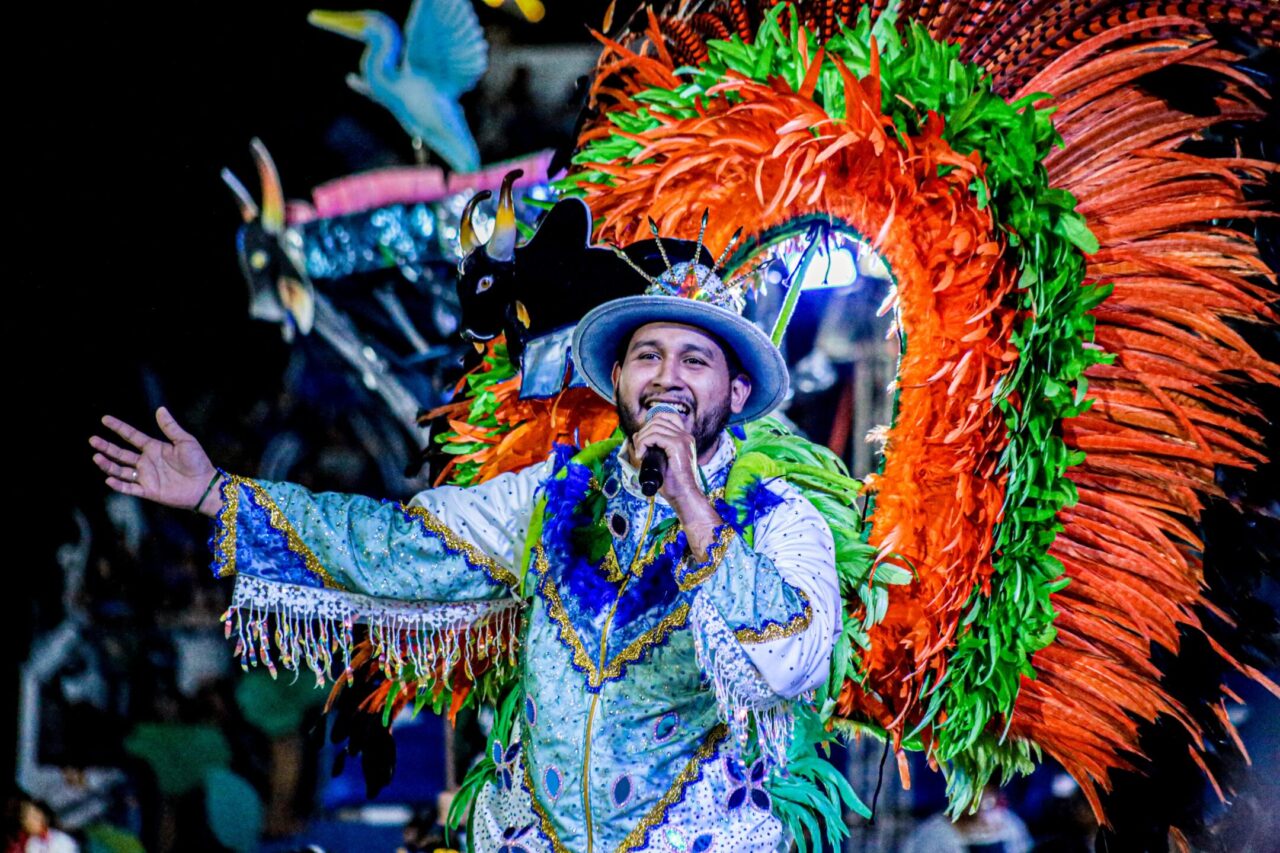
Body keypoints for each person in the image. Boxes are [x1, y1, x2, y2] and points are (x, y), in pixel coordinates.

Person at [90, 260, 843, 852]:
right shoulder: (549, 499)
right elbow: (396, 546)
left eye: (695, 360)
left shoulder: (781, 520)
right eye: (648, 354)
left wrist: (692, 504)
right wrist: (220, 494)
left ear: (736, 392)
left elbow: (792, 660)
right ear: (617, 379)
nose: (667, 377)